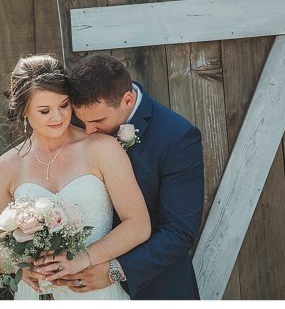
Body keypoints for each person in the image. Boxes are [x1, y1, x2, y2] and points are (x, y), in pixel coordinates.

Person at [0, 54, 152, 300]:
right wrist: (20, 266)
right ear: (23, 110)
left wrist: (84, 258)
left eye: (63, 105)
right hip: (36, 293)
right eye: (44, 111)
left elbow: (138, 225)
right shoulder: (5, 166)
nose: (58, 117)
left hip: (95, 290)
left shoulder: (103, 148)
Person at [49, 53, 205, 300]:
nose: (87, 130)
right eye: (82, 120)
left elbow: (179, 232)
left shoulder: (177, 138)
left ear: (127, 99)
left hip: (154, 288)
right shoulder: (74, 121)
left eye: (98, 120)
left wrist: (116, 269)